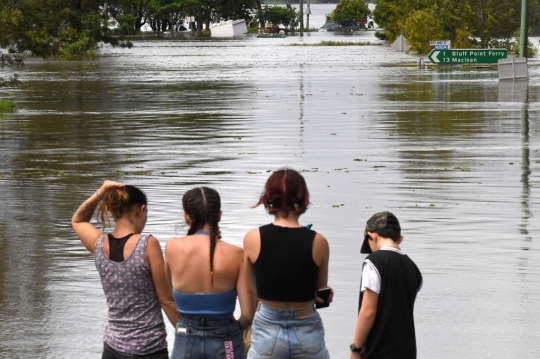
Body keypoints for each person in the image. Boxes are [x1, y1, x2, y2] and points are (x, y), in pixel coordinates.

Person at [71, 180, 177, 359]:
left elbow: (78, 220)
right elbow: (166, 300)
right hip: (149, 349)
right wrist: (188, 334)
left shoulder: (99, 245)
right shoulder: (147, 244)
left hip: (113, 348)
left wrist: (100, 193)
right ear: (140, 210)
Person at [243, 168, 331, 359]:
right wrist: (324, 295)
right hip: (306, 325)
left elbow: (256, 290)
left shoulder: (252, 238)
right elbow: (319, 290)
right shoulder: (319, 242)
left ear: (269, 200)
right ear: (302, 200)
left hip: (267, 326)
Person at [165, 187, 255, 359]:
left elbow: (168, 297)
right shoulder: (236, 254)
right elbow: (248, 315)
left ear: (186, 217)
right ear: (219, 215)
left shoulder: (172, 247)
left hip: (185, 337)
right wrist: (234, 330)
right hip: (226, 340)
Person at [350, 211, 423, 359]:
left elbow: (368, 311)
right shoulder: (413, 268)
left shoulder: (374, 262)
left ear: (372, 236)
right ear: (400, 239)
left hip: (378, 351)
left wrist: (355, 349)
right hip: (407, 352)